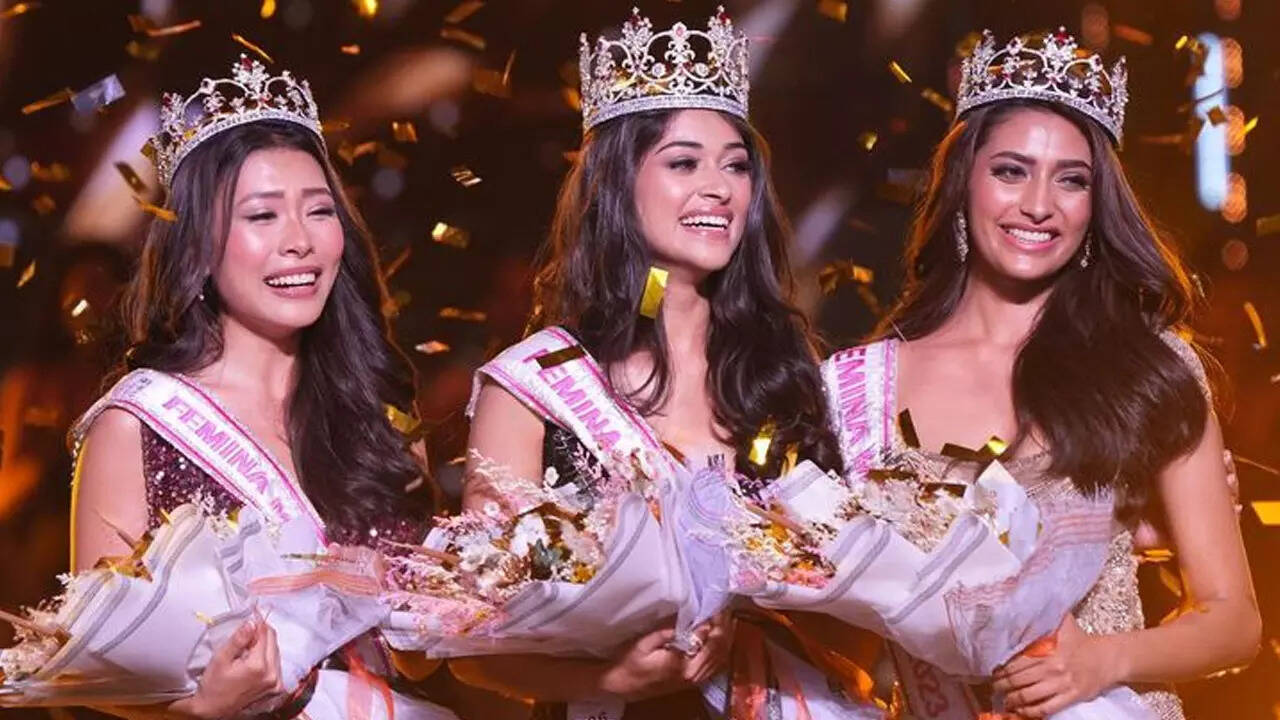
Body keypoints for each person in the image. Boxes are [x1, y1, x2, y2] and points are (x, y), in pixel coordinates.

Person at [449, 8, 885, 720]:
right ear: (618, 184)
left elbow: (862, 612)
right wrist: (612, 680)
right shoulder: (534, 385)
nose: (719, 187)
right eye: (684, 163)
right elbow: (473, 642)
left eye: (735, 165)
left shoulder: (788, 372)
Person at [822, 29, 1259, 718]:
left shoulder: (1145, 367)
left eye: (1072, 179)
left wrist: (1102, 660)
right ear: (963, 182)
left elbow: (1233, 621)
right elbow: (837, 629)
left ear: (1095, 203)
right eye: (1011, 171)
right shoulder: (859, 387)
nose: (1039, 204)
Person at [67, 55, 450, 719]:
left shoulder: (381, 416)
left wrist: (436, 616)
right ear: (200, 244)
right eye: (262, 216)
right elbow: (94, 682)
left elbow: (421, 660)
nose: (299, 241)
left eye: (319, 210)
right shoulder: (139, 425)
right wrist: (206, 710)